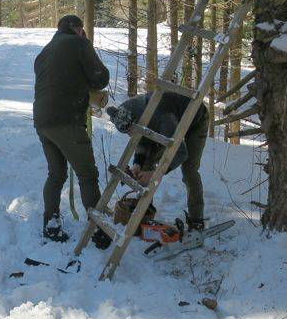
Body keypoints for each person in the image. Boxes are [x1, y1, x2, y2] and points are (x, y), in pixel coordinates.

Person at [33, 15, 110, 247]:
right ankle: (98, 230)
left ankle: (51, 225)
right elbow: (100, 78)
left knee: (56, 174)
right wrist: (87, 45)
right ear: (77, 29)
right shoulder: (79, 43)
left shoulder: (44, 52)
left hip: (42, 119)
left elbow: (59, 79)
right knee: (87, 174)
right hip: (66, 119)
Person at [106, 92, 209, 231]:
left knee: (189, 171)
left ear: (136, 121)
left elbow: (180, 152)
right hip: (166, 124)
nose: (130, 135)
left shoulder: (162, 118)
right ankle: (144, 211)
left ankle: (196, 220)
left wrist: (156, 173)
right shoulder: (126, 111)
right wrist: (138, 163)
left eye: (130, 131)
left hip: (195, 120)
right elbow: (141, 139)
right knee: (145, 165)